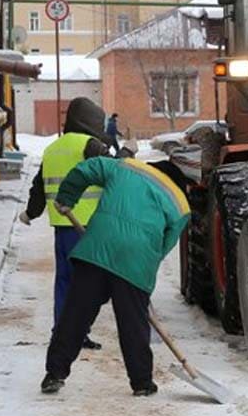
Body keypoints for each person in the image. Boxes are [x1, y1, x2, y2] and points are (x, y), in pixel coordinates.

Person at [41, 156, 191, 397]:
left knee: (75, 315)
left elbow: (84, 169)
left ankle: (54, 374)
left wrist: (67, 197)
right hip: (136, 262)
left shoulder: (125, 167)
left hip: (96, 250)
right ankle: (142, 383)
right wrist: (144, 265)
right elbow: (165, 245)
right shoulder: (181, 205)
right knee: (133, 324)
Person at [20, 97, 110, 349]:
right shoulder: (90, 145)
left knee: (65, 281)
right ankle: (76, 332)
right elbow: (115, 173)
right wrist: (124, 154)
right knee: (91, 284)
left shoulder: (53, 148)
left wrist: (30, 212)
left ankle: (65, 332)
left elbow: (39, 186)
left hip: (62, 227)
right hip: (88, 227)